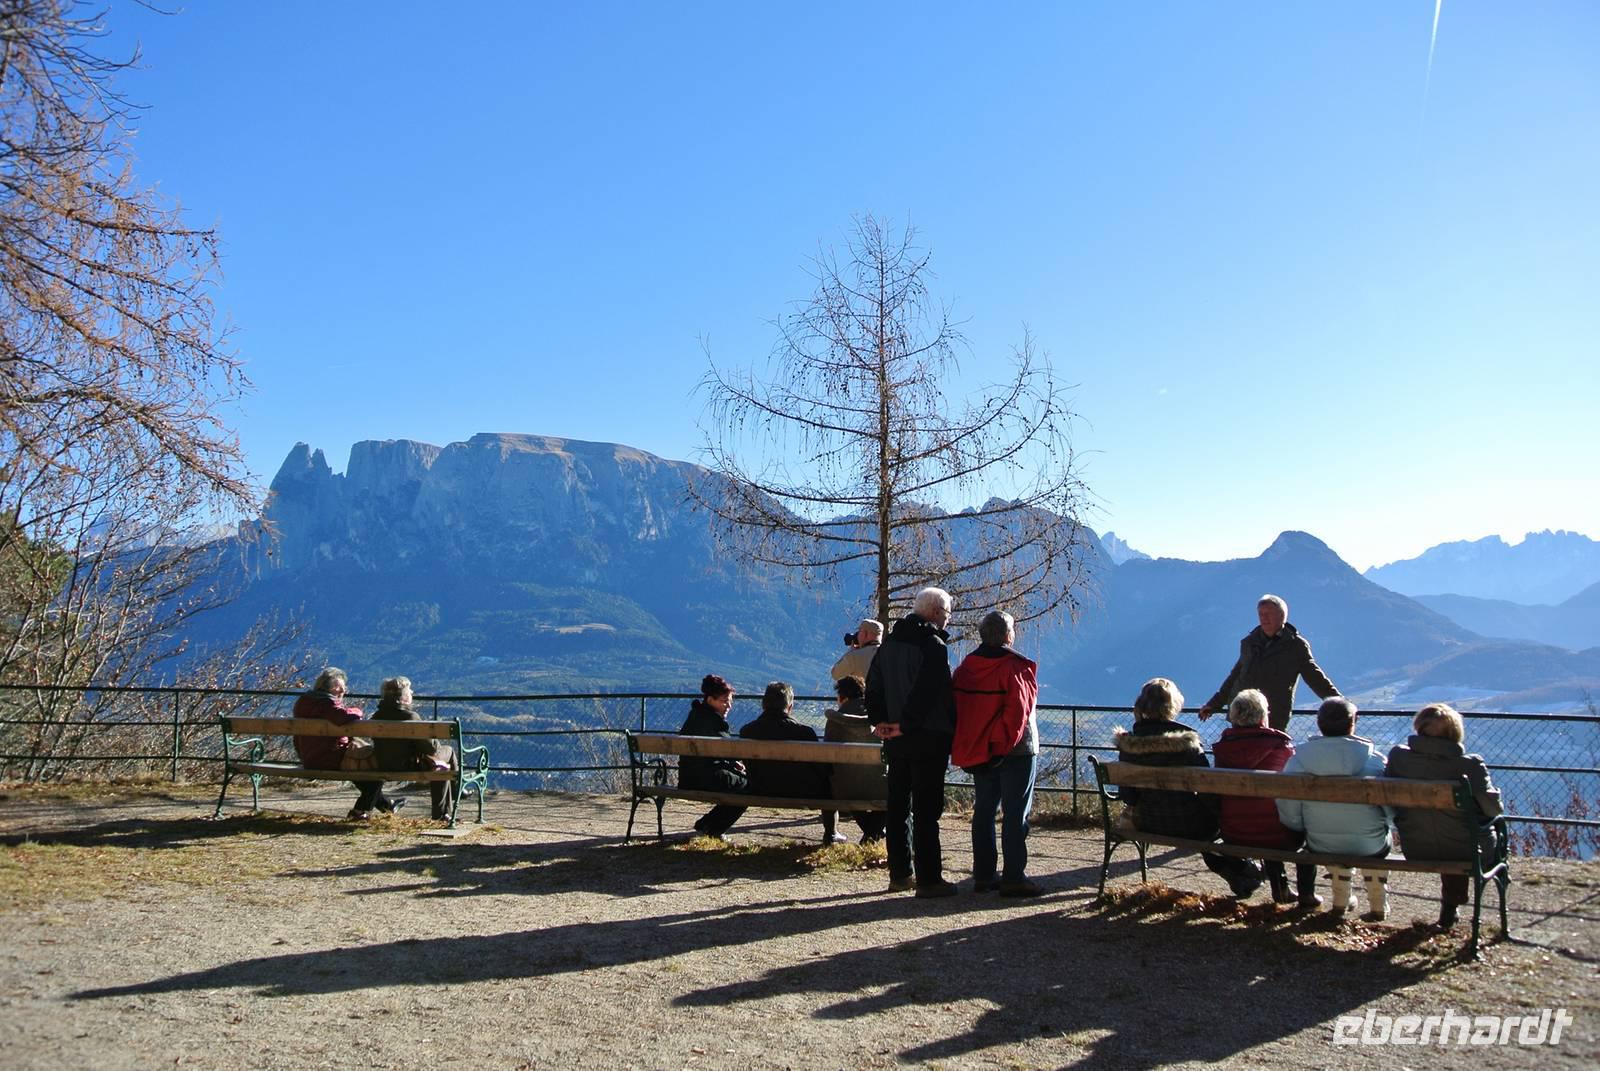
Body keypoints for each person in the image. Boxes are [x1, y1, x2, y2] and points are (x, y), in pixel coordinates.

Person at [1113, 677, 1262, 897]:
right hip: (1191, 823)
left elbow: (1128, 796)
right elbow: (1206, 790)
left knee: (1204, 831)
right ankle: (1244, 869)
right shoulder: (1187, 743)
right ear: (1172, 706)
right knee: (1209, 829)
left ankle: (1242, 873)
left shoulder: (1128, 744)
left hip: (1147, 821)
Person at [866, 586, 959, 898]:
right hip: (928, 737)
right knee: (926, 809)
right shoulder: (933, 645)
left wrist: (881, 722)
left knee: (898, 806)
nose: (947, 621)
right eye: (946, 615)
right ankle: (930, 878)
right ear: (934, 613)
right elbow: (929, 693)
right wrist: (906, 725)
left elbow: (873, 685)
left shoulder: (890, 643)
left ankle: (899, 874)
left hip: (895, 739)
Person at [1386, 703, 1503, 930]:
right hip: (1469, 851)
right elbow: (1492, 810)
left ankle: (1450, 912)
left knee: (1445, 828)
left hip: (1416, 846)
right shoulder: (1470, 764)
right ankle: (1450, 911)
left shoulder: (1399, 758)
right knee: (1461, 832)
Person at [951, 610, 1042, 897]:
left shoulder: (966, 667)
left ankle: (984, 874)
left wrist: (984, 747)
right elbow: (1019, 712)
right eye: (1013, 629)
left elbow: (959, 709)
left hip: (981, 751)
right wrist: (1002, 746)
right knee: (1015, 814)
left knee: (984, 811)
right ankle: (1014, 876)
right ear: (1006, 635)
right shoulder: (1015, 667)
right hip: (1016, 751)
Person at [1278, 697, 1393, 920]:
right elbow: (1390, 808)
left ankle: (1341, 901)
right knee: (1376, 837)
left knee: (1334, 832)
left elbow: (1288, 808)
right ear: (1353, 722)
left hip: (1320, 842)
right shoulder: (1376, 762)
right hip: (1369, 843)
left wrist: (1300, 826)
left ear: (1319, 723)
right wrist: (1386, 823)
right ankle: (1378, 904)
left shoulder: (1297, 762)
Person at [1212, 689, 1317, 907]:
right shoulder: (1281, 747)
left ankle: (1280, 887)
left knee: (1261, 815)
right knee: (1273, 817)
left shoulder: (1222, 749)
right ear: (1262, 717)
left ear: (1234, 716)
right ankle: (1297, 893)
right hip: (1279, 835)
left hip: (1233, 832)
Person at [1198, 594, 1339, 732]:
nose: (1263, 618)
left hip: (1272, 717)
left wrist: (1339, 704)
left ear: (1282, 615)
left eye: (1268, 613)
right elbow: (1235, 676)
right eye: (1261, 614)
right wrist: (1213, 704)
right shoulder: (1249, 643)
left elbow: (1315, 678)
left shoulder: (1295, 646)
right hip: (1241, 715)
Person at [292, 667, 401, 820]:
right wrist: (357, 711)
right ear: (326, 688)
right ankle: (359, 812)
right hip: (328, 757)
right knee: (374, 768)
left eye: (344, 688)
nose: (343, 691)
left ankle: (386, 806)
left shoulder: (304, 701)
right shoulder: (326, 703)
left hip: (308, 756)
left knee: (362, 770)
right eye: (339, 688)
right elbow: (342, 716)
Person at [740, 681, 842, 844]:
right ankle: (831, 833)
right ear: (790, 706)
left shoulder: (747, 731)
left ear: (763, 704)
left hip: (759, 788)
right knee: (829, 782)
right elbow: (821, 768)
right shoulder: (804, 733)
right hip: (803, 790)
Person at [370, 675, 456, 821]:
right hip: (409, 765)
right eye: (409, 690)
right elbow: (431, 749)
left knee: (439, 764)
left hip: (382, 764)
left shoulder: (376, 716)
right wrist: (435, 743)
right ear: (402, 696)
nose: (412, 693)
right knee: (447, 752)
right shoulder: (411, 716)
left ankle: (453, 794)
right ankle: (452, 796)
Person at [677, 674, 747, 839]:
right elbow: (728, 749)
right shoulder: (714, 721)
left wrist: (731, 763)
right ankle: (711, 827)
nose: (729, 705)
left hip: (687, 778)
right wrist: (734, 763)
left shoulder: (695, 715)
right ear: (710, 700)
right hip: (708, 778)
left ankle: (708, 825)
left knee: (739, 786)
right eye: (724, 701)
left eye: (730, 700)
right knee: (747, 787)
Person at [823, 675, 887, 843]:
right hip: (880, 787)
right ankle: (872, 833)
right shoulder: (879, 718)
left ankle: (871, 833)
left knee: (848, 782)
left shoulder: (834, 721)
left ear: (841, 697)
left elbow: (827, 756)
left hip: (841, 789)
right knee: (898, 789)